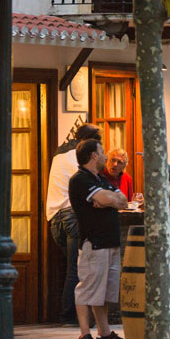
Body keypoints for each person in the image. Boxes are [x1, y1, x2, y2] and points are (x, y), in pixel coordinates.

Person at [69, 139, 128, 339]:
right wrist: (108, 199)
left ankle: (104, 333)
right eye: (102, 152)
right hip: (93, 243)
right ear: (93, 156)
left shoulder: (100, 179)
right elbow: (110, 198)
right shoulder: (80, 180)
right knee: (87, 288)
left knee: (103, 291)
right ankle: (84, 335)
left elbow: (122, 200)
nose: (105, 156)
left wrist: (109, 199)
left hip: (110, 242)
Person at [46, 123, 102, 324]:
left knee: (73, 269)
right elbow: (91, 181)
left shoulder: (60, 154)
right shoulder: (77, 157)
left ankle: (72, 314)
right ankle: (70, 316)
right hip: (71, 217)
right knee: (76, 270)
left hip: (54, 218)